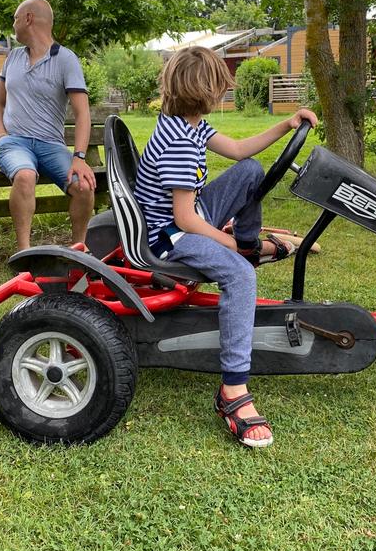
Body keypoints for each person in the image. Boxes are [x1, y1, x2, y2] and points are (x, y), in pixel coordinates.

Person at [133, 46, 318, 448]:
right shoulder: (180, 142)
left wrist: (287, 125)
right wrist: (228, 243)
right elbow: (184, 220)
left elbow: (237, 151)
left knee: (251, 170)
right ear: (208, 92)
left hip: (187, 215)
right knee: (240, 275)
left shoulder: (187, 124)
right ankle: (232, 390)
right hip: (169, 236)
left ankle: (251, 245)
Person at [0, 0, 96, 251]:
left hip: (51, 145)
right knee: (25, 176)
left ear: (28, 18)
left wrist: (79, 157)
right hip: (15, 144)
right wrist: (1, 135)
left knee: (83, 186)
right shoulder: (13, 58)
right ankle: (24, 252)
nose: (13, 25)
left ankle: (78, 248)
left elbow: (82, 114)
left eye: (15, 19)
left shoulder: (66, 60)